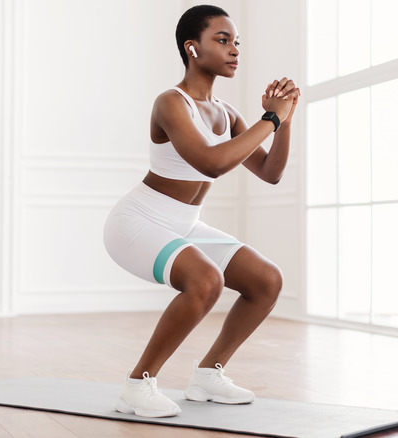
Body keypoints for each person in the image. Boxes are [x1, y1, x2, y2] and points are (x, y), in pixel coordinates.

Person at [103, 4, 300, 418]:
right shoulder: (170, 103)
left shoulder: (227, 113)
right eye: (222, 40)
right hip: (138, 223)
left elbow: (270, 172)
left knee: (266, 281)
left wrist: (284, 121)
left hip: (184, 225)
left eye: (236, 43)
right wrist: (270, 118)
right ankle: (137, 386)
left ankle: (208, 376)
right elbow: (210, 162)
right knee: (206, 281)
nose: (234, 50)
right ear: (192, 48)